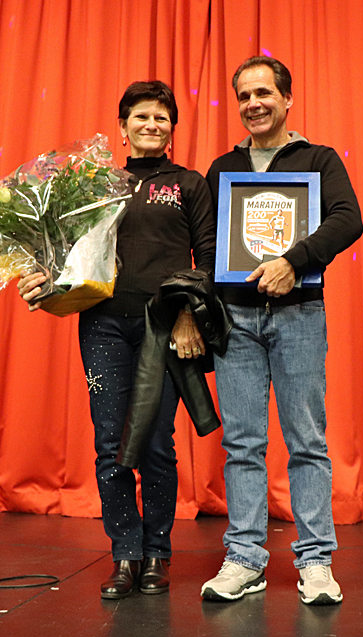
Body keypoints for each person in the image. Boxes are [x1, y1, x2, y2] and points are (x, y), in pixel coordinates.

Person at [17, 81, 217, 599]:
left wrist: (188, 316)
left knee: (155, 443)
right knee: (110, 443)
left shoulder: (189, 184)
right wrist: (40, 278)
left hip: (164, 328)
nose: (152, 125)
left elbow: (211, 258)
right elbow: (64, 252)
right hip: (103, 326)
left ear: (173, 128)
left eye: (162, 118)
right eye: (142, 117)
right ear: (123, 126)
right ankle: (124, 555)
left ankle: (158, 555)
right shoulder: (94, 184)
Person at [200, 56, 363, 605]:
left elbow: (347, 218)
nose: (253, 104)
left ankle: (316, 560)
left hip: (298, 314)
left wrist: (295, 260)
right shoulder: (222, 169)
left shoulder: (318, 159)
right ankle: (245, 558)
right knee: (242, 443)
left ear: (287, 99)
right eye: (244, 96)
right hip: (235, 318)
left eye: (264, 93)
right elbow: (206, 246)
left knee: (307, 441)